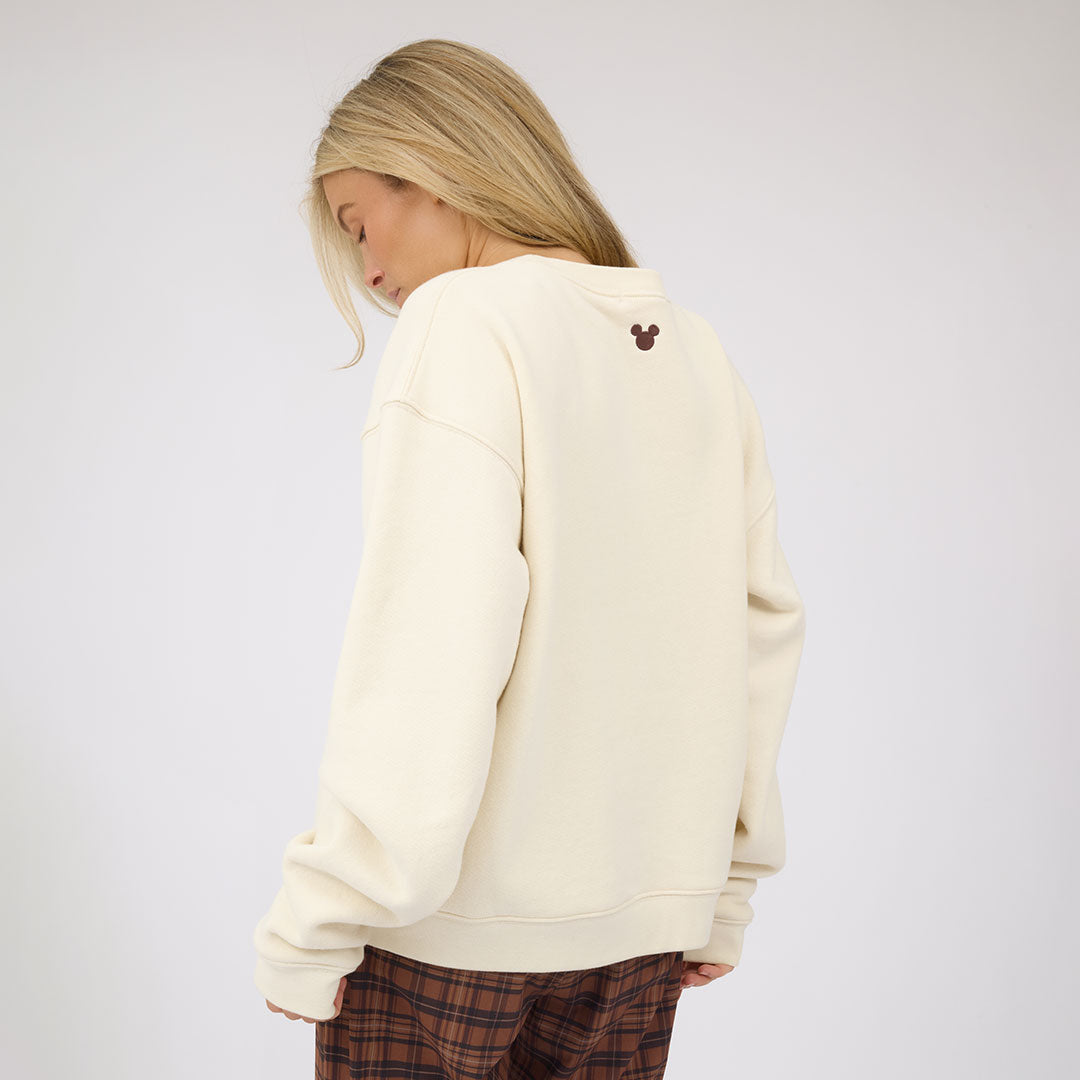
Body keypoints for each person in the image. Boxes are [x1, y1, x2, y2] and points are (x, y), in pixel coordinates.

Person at [253, 37, 806, 1080]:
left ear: (430, 172)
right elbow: (760, 629)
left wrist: (323, 916)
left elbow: (433, 641)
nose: (369, 272)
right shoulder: (693, 346)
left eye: (359, 224)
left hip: (454, 941)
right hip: (643, 937)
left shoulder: (463, 321)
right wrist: (722, 889)